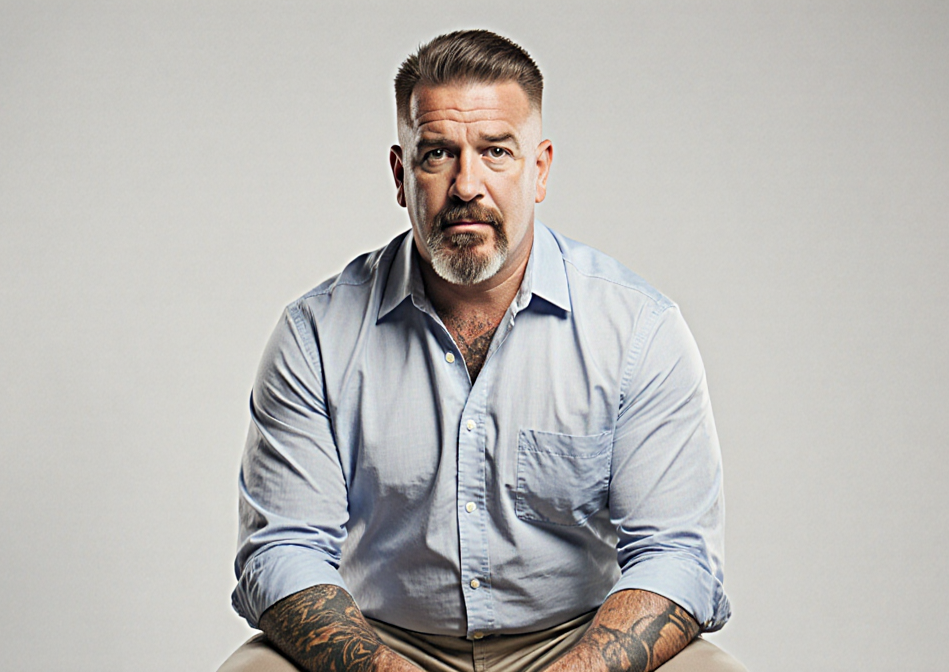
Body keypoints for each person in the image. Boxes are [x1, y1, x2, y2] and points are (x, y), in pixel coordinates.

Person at [219, 29, 745, 672]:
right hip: (382, 641)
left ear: (540, 167)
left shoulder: (639, 331)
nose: (467, 184)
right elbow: (282, 549)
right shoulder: (316, 334)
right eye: (438, 154)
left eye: (496, 151)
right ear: (400, 172)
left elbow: (677, 553)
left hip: (577, 640)